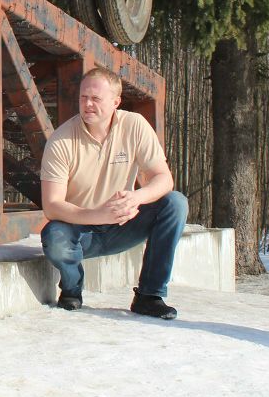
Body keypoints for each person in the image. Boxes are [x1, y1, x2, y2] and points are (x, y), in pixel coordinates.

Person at [40, 66, 188, 319]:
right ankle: (72, 291)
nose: (87, 104)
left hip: (123, 223)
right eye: (83, 97)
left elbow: (164, 179)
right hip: (80, 229)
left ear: (116, 102)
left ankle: (149, 296)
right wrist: (98, 214)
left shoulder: (134, 125)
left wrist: (137, 197)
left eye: (96, 98)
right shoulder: (61, 140)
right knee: (54, 235)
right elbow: (52, 205)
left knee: (175, 203)